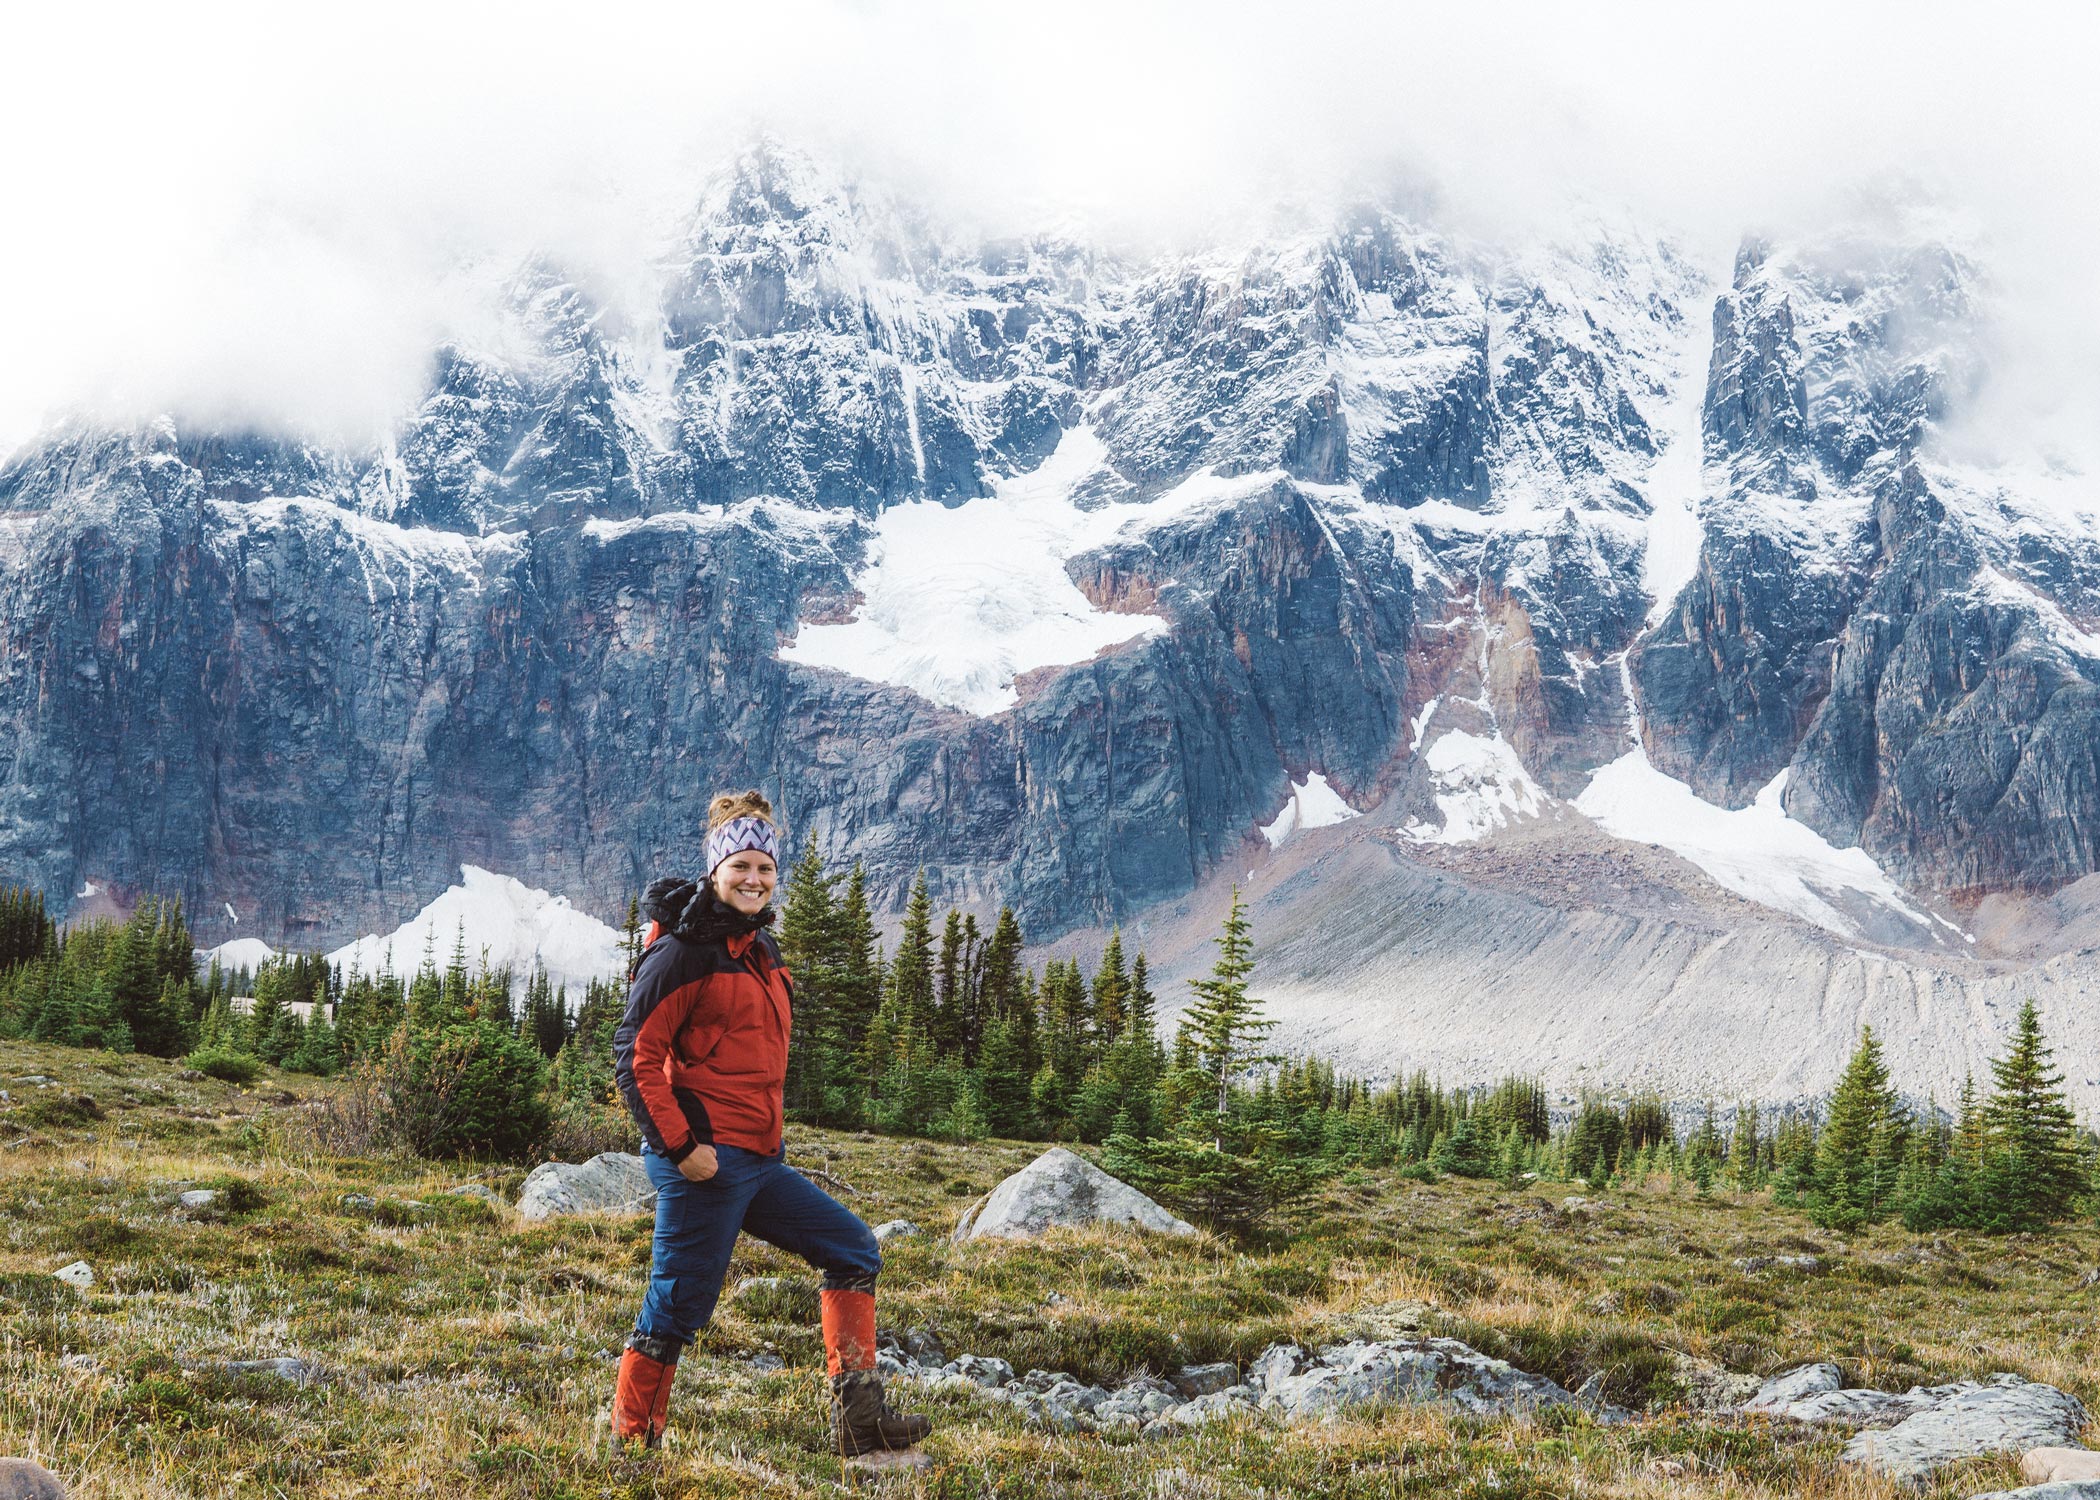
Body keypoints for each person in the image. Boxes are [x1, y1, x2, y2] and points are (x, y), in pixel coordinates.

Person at [608, 789, 930, 1456]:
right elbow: (635, 1055)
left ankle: (860, 1423)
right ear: (716, 871)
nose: (753, 880)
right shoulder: (683, 953)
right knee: (676, 1308)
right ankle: (630, 1446)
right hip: (707, 1162)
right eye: (740, 867)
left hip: (759, 1160)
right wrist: (683, 1148)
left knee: (853, 1250)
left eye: (764, 868)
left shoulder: (760, 949)